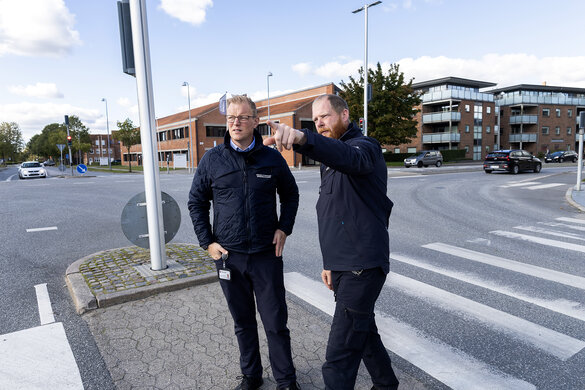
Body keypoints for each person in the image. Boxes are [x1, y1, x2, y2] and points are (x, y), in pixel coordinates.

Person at [264, 94, 399, 390]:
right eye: (315, 120)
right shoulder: (329, 161)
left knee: (338, 357)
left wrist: (302, 137)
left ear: (345, 115)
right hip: (343, 265)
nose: (320, 123)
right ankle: (386, 384)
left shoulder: (365, 148)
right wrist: (329, 265)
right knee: (363, 332)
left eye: (325, 116)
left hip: (362, 265)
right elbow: (335, 212)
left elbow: (350, 157)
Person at [188, 95, 301, 390]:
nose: (235, 123)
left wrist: (283, 229)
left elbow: (291, 195)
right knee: (243, 321)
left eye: (242, 117)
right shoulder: (212, 159)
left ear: (254, 121)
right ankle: (251, 375)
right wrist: (207, 243)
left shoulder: (272, 158)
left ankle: (286, 381)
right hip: (229, 256)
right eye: (230, 118)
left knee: (275, 322)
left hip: (266, 254)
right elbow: (196, 202)